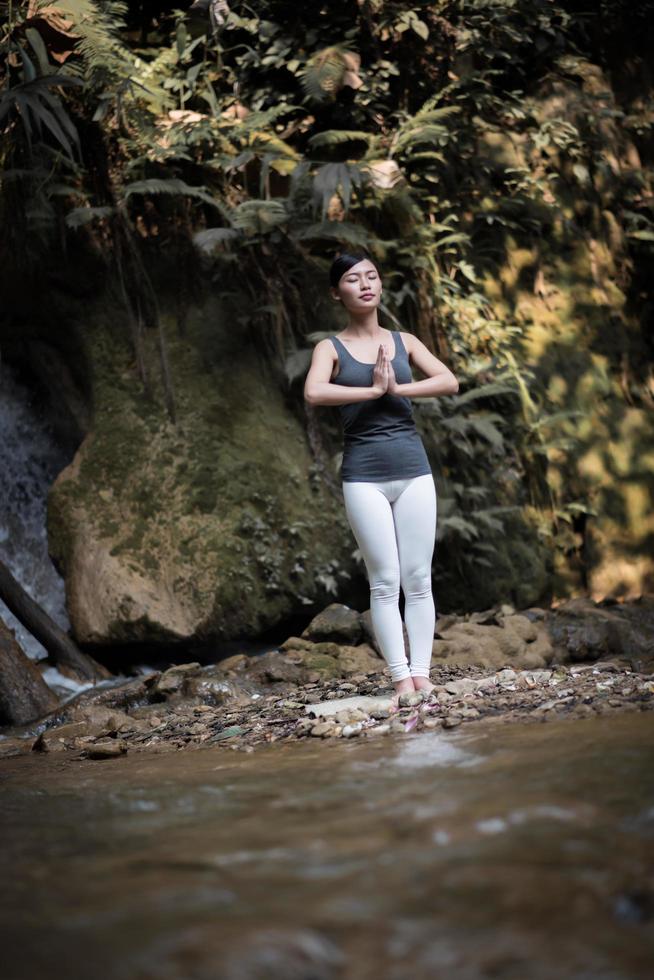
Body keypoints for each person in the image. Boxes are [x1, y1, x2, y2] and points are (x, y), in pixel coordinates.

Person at [303, 251, 459, 705]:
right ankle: (400, 679)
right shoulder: (329, 348)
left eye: (372, 275)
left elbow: (448, 380)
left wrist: (397, 389)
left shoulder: (404, 340)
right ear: (338, 292)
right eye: (353, 279)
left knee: (418, 577)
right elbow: (314, 392)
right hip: (363, 477)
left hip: (414, 471)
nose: (365, 284)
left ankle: (422, 674)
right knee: (385, 580)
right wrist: (369, 390)